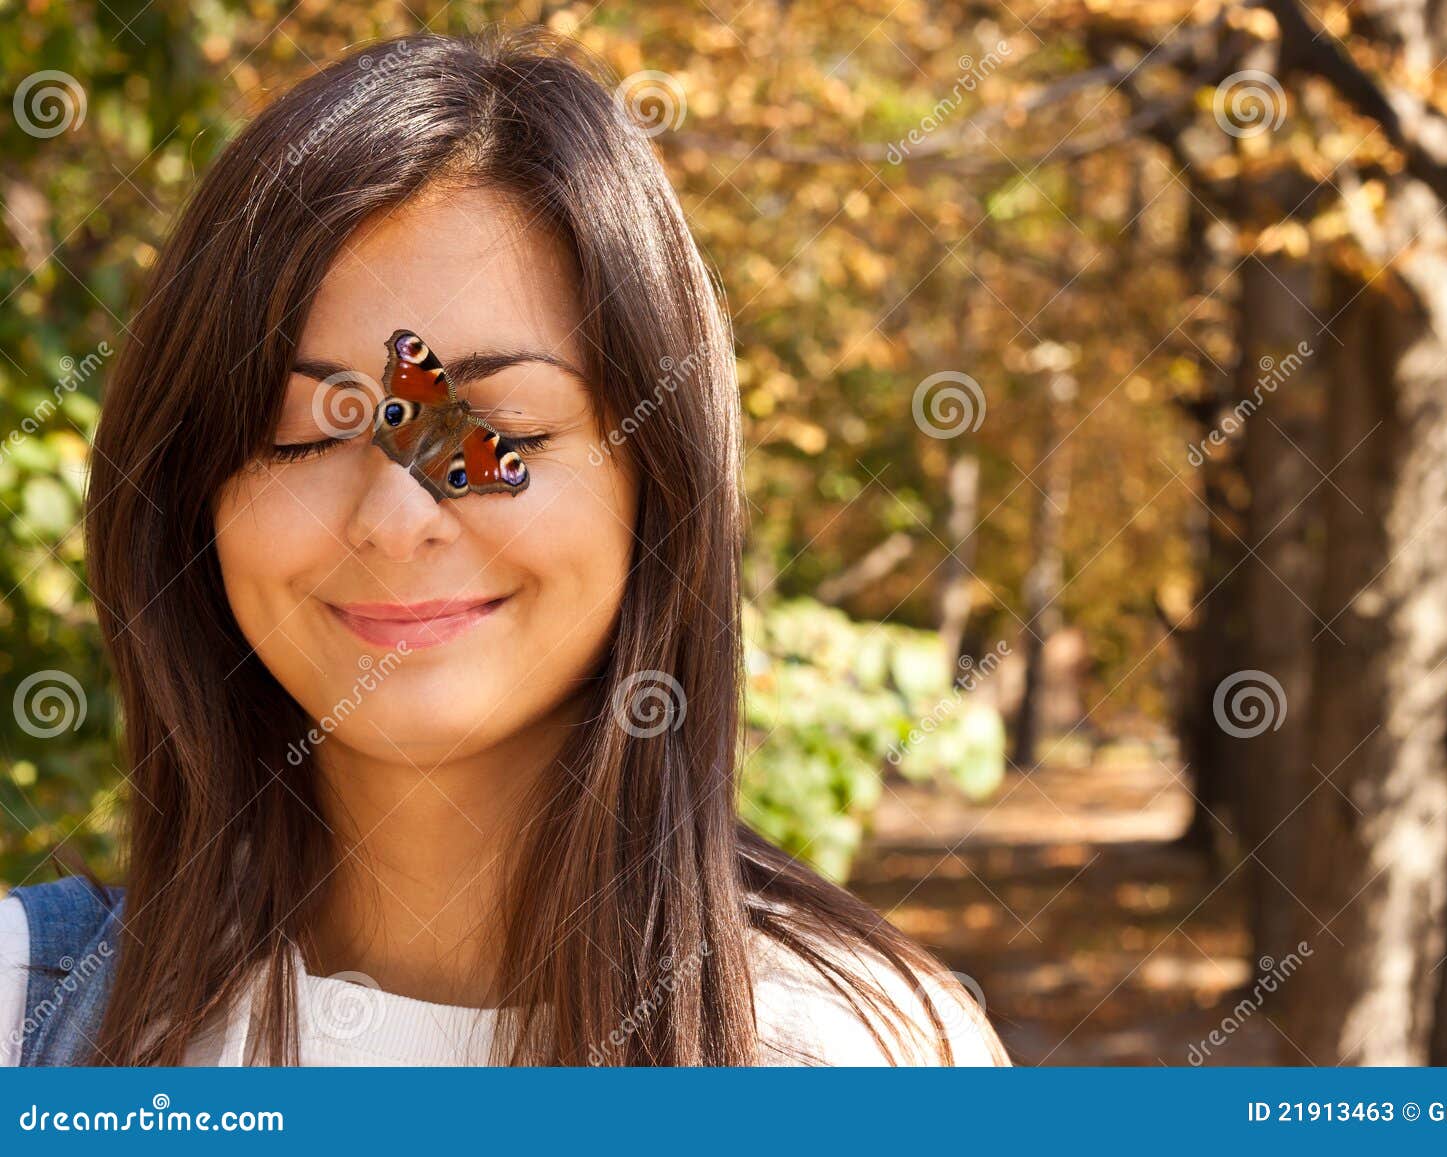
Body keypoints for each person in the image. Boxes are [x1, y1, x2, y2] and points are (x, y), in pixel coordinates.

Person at [0, 28, 1007, 1068]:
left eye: (500, 432)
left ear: (655, 477)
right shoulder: (25, 1009)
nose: (398, 514)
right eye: (298, 433)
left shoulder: (858, 1051)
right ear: (188, 498)